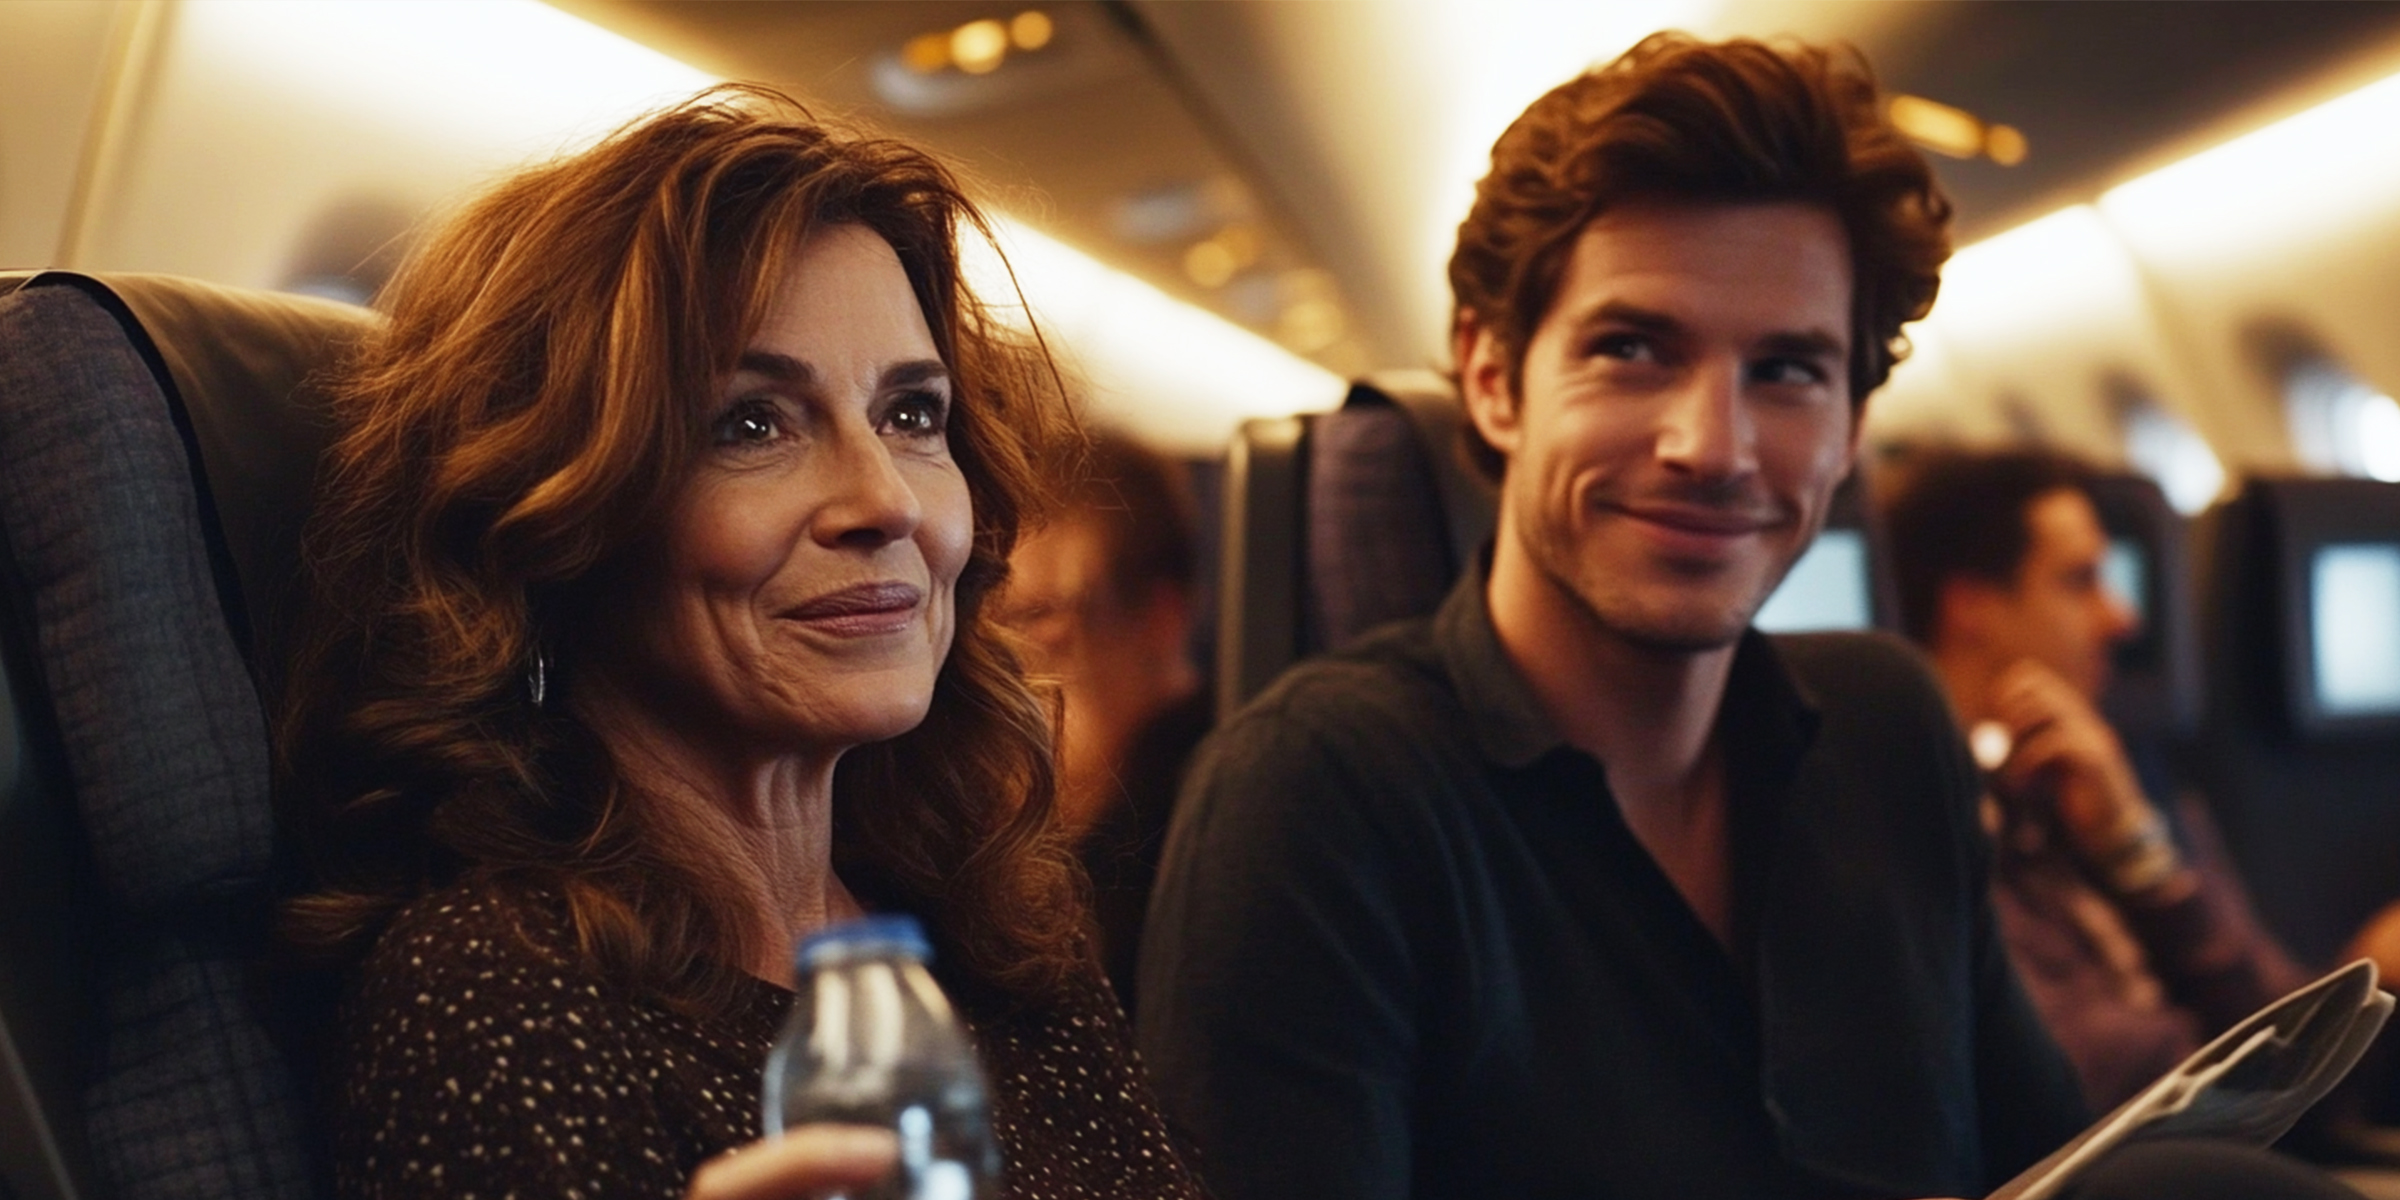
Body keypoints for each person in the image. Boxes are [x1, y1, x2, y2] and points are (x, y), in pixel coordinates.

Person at [1136, 32, 2093, 1200]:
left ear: (1850, 431)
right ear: (1493, 377)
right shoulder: (1319, 798)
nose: (1713, 447)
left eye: (1787, 370)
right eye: (1632, 349)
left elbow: (2059, 1170)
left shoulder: (1888, 726)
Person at [275, 86, 1203, 1200]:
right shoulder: (494, 994)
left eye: (912, 416)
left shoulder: (995, 937)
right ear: (560, 522)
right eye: (752, 424)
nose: (884, 501)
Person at [1878, 448, 2311, 1112]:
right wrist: (2273, 1054)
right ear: (1971, 607)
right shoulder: (1920, 819)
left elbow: (2300, 1041)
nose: (2121, 619)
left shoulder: (2118, 777)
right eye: (2080, 581)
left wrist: (2141, 858)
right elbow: (2087, 1079)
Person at [993, 429, 1209, 1014]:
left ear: (1160, 619)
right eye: (983, 631)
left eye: (1036, 621)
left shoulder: (1210, 827)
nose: (1003, 678)